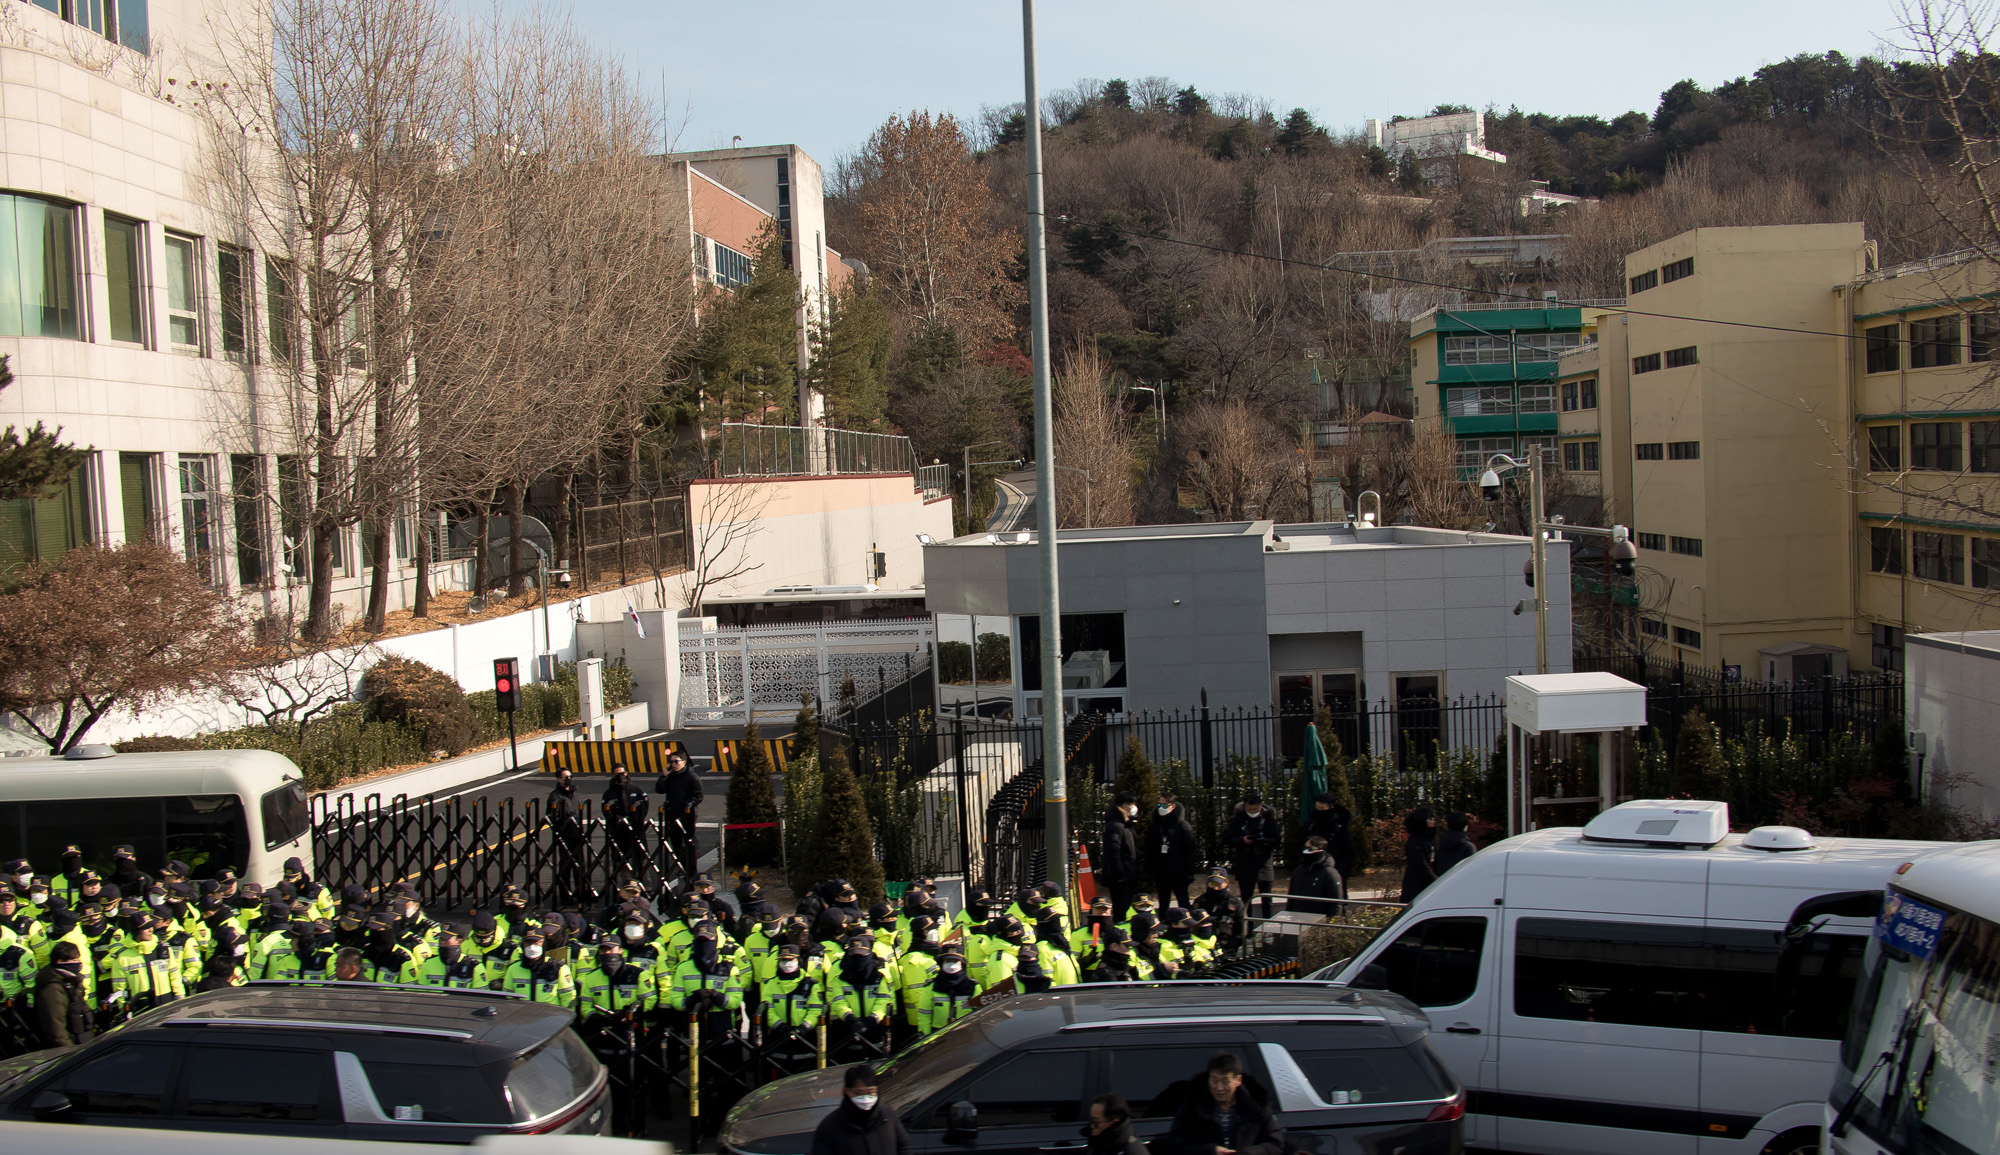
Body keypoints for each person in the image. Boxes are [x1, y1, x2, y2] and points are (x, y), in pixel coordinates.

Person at [1159, 1052, 1284, 1155]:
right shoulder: (1192, 1106)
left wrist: (1247, 1153)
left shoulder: (1258, 1106)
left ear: (1238, 1080)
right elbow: (1175, 1147)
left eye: (1225, 1081)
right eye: (1214, 1080)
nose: (1219, 1088)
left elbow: (1275, 1145)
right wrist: (1210, 1151)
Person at [809, 1065, 910, 1155]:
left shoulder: (887, 1116)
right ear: (847, 1091)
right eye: (859, 1093)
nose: (865, 1098)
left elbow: (904, 1146)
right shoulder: (830, 1127)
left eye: (870, 1092)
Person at [1224, 792, 1279, 920]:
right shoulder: (1238, 820)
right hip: (1245, 862)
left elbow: (1276, 840)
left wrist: (1263, 840)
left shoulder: (1269, 820)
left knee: (1266, 898)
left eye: (1255, 809)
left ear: (1260, 806)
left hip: (1264, 863)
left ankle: (1267, 928)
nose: (1252, 811)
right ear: (1244, 806)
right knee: (1246, 898)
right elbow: (1229, 839)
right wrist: (1242, 840)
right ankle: (1246, 928)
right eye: (1249, 809)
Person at [655, 748, 703, 883]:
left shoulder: (691, 777)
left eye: (676, 761)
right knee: (675, 843)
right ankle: (683, 867)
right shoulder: (671, 777)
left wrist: (689, 804)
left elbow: (698, 795)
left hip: (687, 815)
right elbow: (659, 789)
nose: (674, 764)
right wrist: (664, 775)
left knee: (689, 842)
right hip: (672, 814)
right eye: (672, 762)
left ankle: (692, 871)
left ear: (684, 762)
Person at [33, 941, 92, 1048]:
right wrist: (71, 1053)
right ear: (60, 961)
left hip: (82, 1044)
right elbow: (56, 1030)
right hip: (69, 1051)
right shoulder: (53, 989)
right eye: (74, 960)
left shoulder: (70, 981)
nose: (78, 963)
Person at [1150, 791, 1202, 910]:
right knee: (1163, 902)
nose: (1161, 808)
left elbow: (1191, 849)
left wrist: (1189, 871)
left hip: (1179, 871)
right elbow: (1150, 847)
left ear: (1173, 806)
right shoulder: (1155, 825)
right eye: (1159, 805)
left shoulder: (1182, 826)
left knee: (1183, 900)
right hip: (1161, 871)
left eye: (1164, 805)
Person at [547, 768, 590, 907]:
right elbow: (552, 817)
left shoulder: (573, 794)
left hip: (577, 834)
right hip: (565, 836)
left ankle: (581, 892)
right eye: (565, 777)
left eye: (570, 776)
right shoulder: (555, 797)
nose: (568, 779)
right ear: (559, 779)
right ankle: (565, 896)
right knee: (565, 867)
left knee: (580, 866)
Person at [601, 766, 651, 886]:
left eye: (622, 773)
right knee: (622, 863)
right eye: (617, 773)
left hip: (636, 831)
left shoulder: (636, 789)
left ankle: (646, 887)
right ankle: (627, 888)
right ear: (613, 775)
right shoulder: (609, 793)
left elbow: (644, 806)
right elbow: (606, 811)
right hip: (618, 833)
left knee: (641, 861)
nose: (621, 776)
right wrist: (619, 820)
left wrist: (635, 819)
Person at [1100, 792, 1141, 920]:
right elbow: (1113, 852)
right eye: (1131, 804)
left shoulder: (1126, 824)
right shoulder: (1116, 826)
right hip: (1120, 876)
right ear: (1124, 806)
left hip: (1127, 874)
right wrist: (1120, 875)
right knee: (1121, 907)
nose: (1134, 807)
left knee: (1125, 905)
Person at [1304, 793, 1356, 888]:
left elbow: (1349, 851)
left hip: (1334, 870)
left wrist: (1338, 869)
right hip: (1313, 870)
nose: (1319, 811)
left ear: (1331, 807)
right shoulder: (1312, 822)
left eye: (1322, 809)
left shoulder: (1340, 826)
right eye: (1317, 808)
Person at [1286, 836, 1344, 917]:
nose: (1306, 852)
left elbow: (1336, 903)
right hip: (1298, 919)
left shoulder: (1329, 873)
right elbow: (1291, 899)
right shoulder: (1298, 871)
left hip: (1320, 922)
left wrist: (1332, 923)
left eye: (1310, 849)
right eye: (1305, 849)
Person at [1085, 1093, 1149, 1155]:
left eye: (1096, 1122)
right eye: (1091, 1121)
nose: (1091, 1126)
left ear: (1114, 1120)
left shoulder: (1132, 1150)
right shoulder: (1097, 1143)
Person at [1400, 808, 1439, 904]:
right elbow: (1421, 865)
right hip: (1416, 883)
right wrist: (1436, 880)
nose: (1433, 821)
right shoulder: (1414, 842)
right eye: (1430, 819)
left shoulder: (1431, 839)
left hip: (1429, 883)